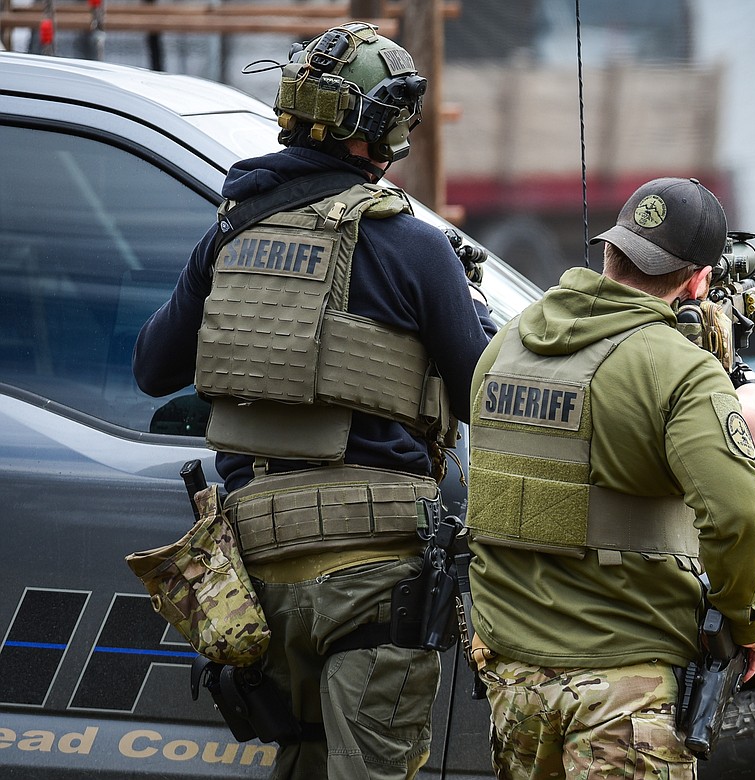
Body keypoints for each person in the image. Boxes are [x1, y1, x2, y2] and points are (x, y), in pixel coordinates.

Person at [133, 22, 496, 780]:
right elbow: (482, 399)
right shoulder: (413, 244)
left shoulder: (231, 232)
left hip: (252, 577)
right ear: (383, 125)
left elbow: (152, 368)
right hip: (372, 580)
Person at [464, 177, 755, 779]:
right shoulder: (681, 372)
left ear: (610, 252)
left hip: (515, 683)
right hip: (624, 691)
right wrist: (746, 624)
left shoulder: (506, 345)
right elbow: (736, 519)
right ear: (699, 282)